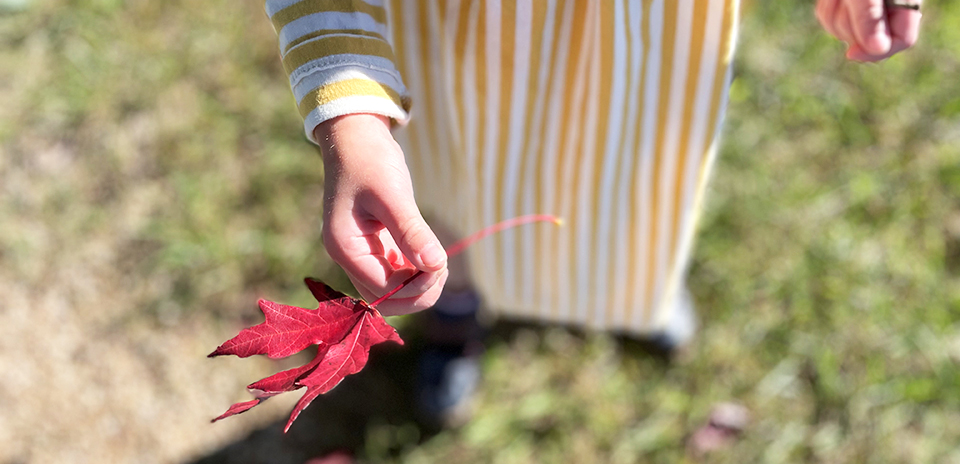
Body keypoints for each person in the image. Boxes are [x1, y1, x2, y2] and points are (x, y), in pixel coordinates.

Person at [264, 0, 922, 421]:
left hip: (646, 34)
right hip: (449, 33)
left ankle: (634, 291)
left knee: (627, 174)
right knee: (445, 188)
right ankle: (455, 318)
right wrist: (349, 110)